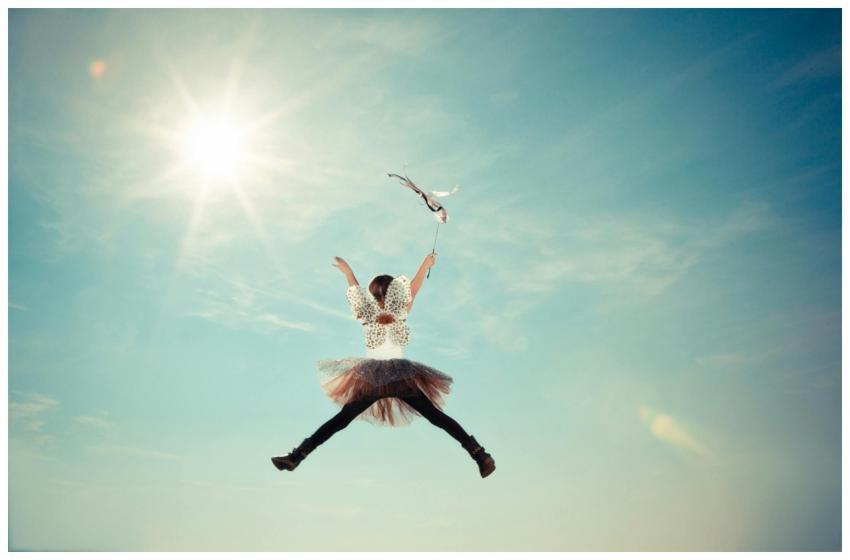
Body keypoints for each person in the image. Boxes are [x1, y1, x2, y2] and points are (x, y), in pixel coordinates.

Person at [271, 252, 496, 478]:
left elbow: (356, 290)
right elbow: (414, 287)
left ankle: (297, 456)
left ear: (372, 295)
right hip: (401, 378)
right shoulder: (401, 310)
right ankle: (479, 454)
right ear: (395, 293)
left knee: (341, 420)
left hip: (373, 380)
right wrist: (425, 264)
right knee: (436, 416)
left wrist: (347, 271)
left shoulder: (366, 313)